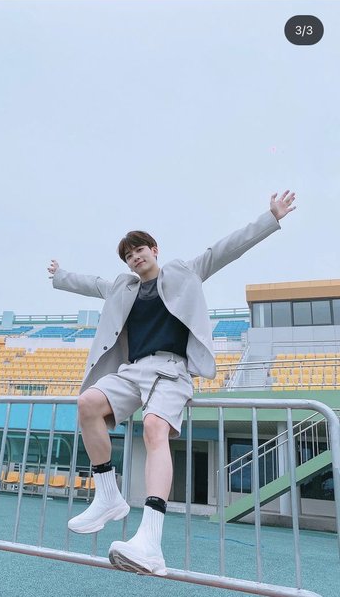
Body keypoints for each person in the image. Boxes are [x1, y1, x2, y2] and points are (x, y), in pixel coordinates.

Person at [47, 191, 296, 576]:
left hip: (172, 369)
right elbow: (92, 283)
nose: (135, 257)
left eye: (139, 250)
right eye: (128, 255)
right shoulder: (123, 287)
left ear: (154, 250)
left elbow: (224, 250)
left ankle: (150, 541)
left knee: (154, 427)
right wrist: (61, 276)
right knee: (87, 404)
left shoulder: (183, 272)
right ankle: (108, 496)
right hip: (132, 371)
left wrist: (270, 218)